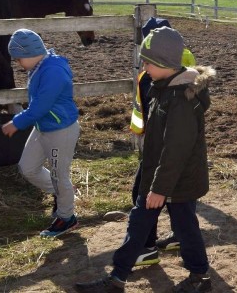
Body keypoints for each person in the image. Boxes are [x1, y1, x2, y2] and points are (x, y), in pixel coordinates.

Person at [76, 26, 215, 293]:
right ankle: (117, 279)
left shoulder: (181, 99)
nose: (144, 65)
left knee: (185, 228)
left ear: (164, 63)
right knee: (139, 224)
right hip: (157, 173)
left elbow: (177, 149)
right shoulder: (163, 88)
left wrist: (160, 189)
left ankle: (200, 277)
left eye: (149, 61)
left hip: (178, 179)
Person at [128, 16, 197, 257]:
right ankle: (180, 240)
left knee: (144, 192)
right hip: (172, 148)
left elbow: (163, 117)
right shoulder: (181, 62)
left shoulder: (155, 75)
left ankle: (145, 248)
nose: (144, 63)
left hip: (161, 148)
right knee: (179, 199)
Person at [1, 29, 80, 238]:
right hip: (43, 126)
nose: (18, 64)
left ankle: (66, 217)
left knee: (57, 174)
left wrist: (16, 123)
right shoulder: (39, 66)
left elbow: (41, 105)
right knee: (27, 167)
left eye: (18, 59)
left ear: (28, 53)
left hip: (59, 130)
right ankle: (63, 192)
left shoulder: (52, 71)